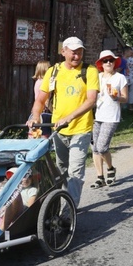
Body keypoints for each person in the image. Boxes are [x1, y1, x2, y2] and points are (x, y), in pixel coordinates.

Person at [27, 36, 99, 208]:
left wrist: (70, 117)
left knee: (75, 173)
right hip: (58, 130)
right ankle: (58, 206)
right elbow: (41, 99)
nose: (77, 56)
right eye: (73, 52)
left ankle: (68, 214)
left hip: (81, 128)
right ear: (63, 51)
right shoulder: (54, 72)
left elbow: (91, 100)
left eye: (80, 52)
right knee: (61, 171)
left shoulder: (89, 71)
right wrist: (35, 116)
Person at [90, 50, 128, 189]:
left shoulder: (120, 78)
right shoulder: (97, 77)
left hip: (111, 117)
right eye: (105, 61)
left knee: (102, 147)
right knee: (95, 148)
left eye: (111, 60)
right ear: (100, 64)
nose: (108, 63)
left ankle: (111, 168)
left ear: (114, 62)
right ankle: (100, 178)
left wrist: (116, 97)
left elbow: (125, 98)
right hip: (97, 116)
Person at [29, 60, 51, 138]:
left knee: (37, 133)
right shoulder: (43, 83)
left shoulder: (38, 81)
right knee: (44, 134)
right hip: (43, 112)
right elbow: (45, 100)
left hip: (39, 111)